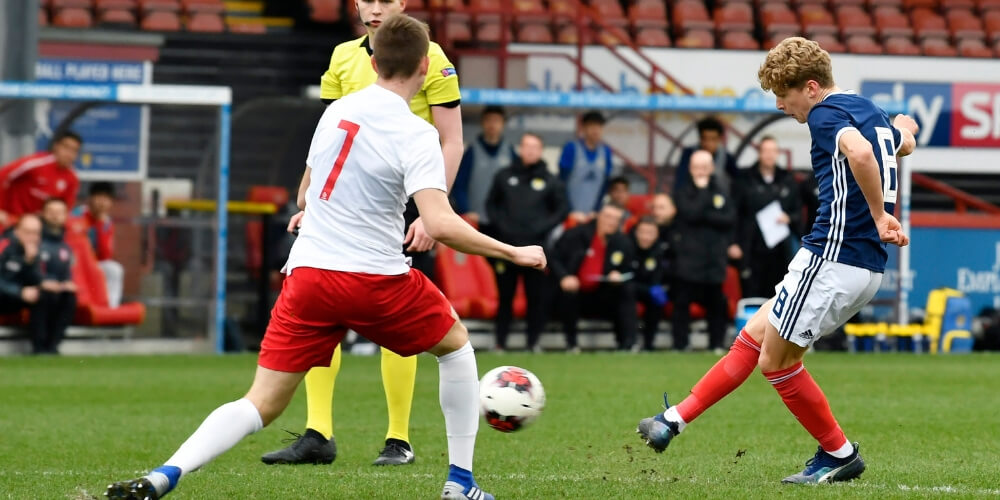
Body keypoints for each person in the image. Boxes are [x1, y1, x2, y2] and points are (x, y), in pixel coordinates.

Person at [105, 15, 544, 500]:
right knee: (456, 346)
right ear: (424, 67)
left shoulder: (335, 113)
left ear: (373, 62)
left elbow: (305, 195)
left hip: (309, 273)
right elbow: (438, 224)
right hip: (372, 279)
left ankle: (164, 474)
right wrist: (512, 251)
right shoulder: (417, 134)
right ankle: (460, 483)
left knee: (262, 402)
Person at [636, 37, 918, 485]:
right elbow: (898, 145)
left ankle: (838, 454)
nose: (782, 107)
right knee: (754, 334)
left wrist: (883, 216)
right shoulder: (867, 109)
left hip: (832, 256)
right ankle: (673, 420)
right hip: (858, 265)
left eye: (783, 97)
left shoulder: (825, 113)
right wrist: (906, 131)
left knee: (777, 363)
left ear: (809, 87)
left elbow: (861, 154)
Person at [269, 0, 465, 467]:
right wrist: (313, 204)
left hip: (399, 209)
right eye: (367, 0)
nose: (375, 9)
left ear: (404, 4)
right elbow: (330, 138)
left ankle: (398, 438)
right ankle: (319, 432)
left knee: (402, 326)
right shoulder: (341, 56)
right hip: (341, 214)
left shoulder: (431, 57)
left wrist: (429, 211)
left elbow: (451, 139)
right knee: (320, 317)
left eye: (386, 0)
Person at [485, 133, 569, 352]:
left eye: (535, 147)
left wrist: (541, 227)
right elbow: (491, 206)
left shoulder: (550, 181)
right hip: (507, 247)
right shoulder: (504, 176)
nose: (530, 151)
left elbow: (562, 209)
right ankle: (500, 342)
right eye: (526, 146)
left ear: (541, 151)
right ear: (520, 149)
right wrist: (503, 227)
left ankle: (533, 343)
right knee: (505, 297)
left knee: (536, 298)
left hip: (536, 249)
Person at [670, 150, 734, 353]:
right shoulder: (682, 192)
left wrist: (705, 213)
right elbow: (689, 213)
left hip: (714, 259)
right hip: (688, 259)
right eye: (697, 167)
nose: (701, 172)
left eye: (705, 167)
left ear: (712, 168)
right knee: (682, 304)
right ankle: (680, 345)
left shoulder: (722, 191)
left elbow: (728, 218)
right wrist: (705, 197)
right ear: (690, 169)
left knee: (716, 305)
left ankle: (716, 344)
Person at [550, 203, 637, 353]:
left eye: (616, 219)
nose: (611, 222)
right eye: (608, 217)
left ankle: (627, 344)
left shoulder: (623, 242)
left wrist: (618, 276)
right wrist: (565, 277)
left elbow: (629, 270)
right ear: (598, 217)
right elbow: (553, 257)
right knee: (568, 294)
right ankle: (571, 345)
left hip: (603, 293)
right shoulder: (576, 234)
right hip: (576, 292)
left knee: (627, 291)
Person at [732, 136, 802, 298]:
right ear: (759, 153)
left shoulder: (787, 179)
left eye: (773, 151)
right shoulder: (745, 179)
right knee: (752, 293)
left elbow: (797, 212)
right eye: (766, 151)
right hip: (752, 247)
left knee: (778, 293)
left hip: (779, 248)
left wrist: (789, 217)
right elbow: (735, 212)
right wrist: (734, 242)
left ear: (778, 153)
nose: (769, 155)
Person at [452, 105, 517, 229]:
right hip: (475, 219)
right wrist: (465, 210)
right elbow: (459, 184)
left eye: (496, 120)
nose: (492, 125)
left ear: (503, 124)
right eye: (488, 120)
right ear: (482, 123)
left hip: (503, 220)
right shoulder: (471, 152)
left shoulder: (510, 152)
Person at [0, 131, 81, 227]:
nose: (69, 154)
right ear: (56, 146)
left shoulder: (72, 179)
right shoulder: (36, 163)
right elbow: (3, 175)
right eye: (66, 147)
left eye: (74, 150)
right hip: (9, 220)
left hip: (39, 229)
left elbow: (66, 210)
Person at [36, 199, 78, 354]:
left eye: (59, 212)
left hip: (56, 288)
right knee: (43, 295)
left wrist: (67, 283)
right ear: (42, 214)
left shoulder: (66, 245)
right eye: (51, 212)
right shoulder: (35, 239)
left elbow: (66, 271)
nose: (55, 216)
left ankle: (53, 346)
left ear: (66, 216)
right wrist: (41, 281)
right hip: (36, 287)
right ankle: (39, 347)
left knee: (69, 296)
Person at [73, 182, 124, 307]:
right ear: (90, 198)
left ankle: (111, 310)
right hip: (76, 264)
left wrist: (101, 226)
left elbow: (105, 255)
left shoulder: (106, 223)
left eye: (107, 199)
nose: (102, 202)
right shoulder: (77, 215)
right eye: (99, 197)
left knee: (114, 269)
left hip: (95, 263)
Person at [558, 110, 615, 223]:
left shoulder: (606, 152)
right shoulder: (572, 148)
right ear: (584, 128)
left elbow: (605, 184)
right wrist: (569, 210)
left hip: (592, 215)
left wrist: (596, 210)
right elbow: (561, 181)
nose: (596, 130)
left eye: (599, 126)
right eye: (592, 126)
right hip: (570, 215)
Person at [0, 215, 43, 341]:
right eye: (27, 232)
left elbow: (36, 281)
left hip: (16, 298)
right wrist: (19, 292)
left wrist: (29, 262)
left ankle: (44, 348)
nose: (31, 237)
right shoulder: (4, 246)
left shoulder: (36, 251)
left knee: (47, 296)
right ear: (16, 231)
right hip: (4, 296)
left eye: (35, 233)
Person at [672, 117, 738, 195]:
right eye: (705, 139)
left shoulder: (726, 157)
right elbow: (680, 181)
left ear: (719, 139)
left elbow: (737, 182)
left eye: (713, 139)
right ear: (700, 139)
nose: (708, 143)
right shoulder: (689, 154)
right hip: (692, 199)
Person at [630, 216, 667, 351]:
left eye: (650, 233)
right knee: (627, 293)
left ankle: (649, 344)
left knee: (656, 300)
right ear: (636, 232)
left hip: (647, 290)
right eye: (642, 232)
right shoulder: (628, 247)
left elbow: (658, 278)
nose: (645, 237)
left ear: (656, 234)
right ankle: (628, 342)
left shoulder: (660, 251)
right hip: (629, 290)